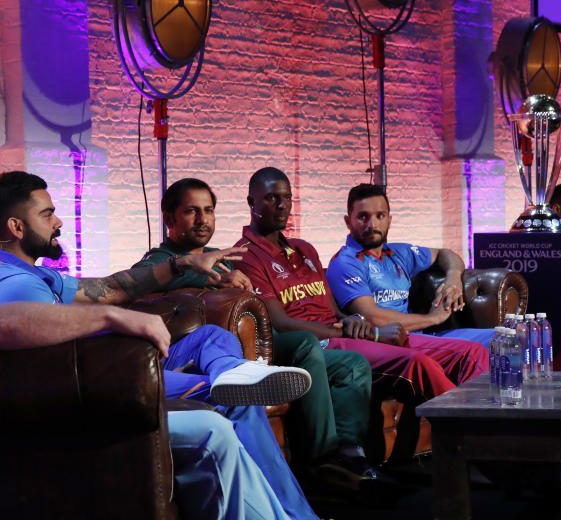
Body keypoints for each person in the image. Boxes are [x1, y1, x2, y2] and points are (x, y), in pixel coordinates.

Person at [0, 144, 388, 520]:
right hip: (48, 422)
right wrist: (108, 317)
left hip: (63, 401)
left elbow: (109, 287)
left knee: (214, 410)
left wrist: (178, 268)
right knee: (215, 423)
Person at [134, 178, 387, 493]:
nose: (202, 219)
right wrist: (207, 276)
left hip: (255, 346)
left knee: (352, 364)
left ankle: (349, 455)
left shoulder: (223, 255)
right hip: (213, 358)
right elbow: (138, 289)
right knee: (305, 343)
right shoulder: (158, 263)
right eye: (191, 212)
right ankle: (322, 462)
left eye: (208, 210)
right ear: (169, 218)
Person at [232, 168, 487, 453]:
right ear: (251, 202)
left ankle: (495, 425)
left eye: (286, 197)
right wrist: (362, 330)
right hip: (318, 344)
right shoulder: (245, 256)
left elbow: (333, 310)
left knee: (470, 351)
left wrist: (354, 322)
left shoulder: (304, 249)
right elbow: (279, 323)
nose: (281, 205)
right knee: (419, 364)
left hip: (346, 333)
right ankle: (476, 443)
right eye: (270, 198)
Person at [326, 183, 493, 347]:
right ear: (348, 222)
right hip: (390, 343)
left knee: (500, 338)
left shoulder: (398, 253)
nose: (372, 225)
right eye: (363, 216)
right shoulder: (345, 262)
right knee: (474, 350)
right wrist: (432, 318)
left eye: (380, 216)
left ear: (389, 220)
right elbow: (372, 317)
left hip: (422, 337)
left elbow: (446, 254)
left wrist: (453, 278)